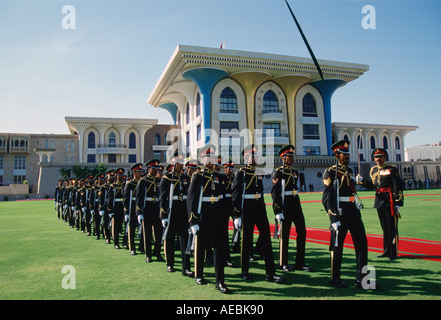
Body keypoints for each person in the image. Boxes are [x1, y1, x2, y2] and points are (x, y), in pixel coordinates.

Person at [232, 144, 285, 283]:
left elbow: (260, 191)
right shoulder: (241, 173)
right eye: (253, 155)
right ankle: (245, 270)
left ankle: (270, 273)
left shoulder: (258, 172)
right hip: (247, 209)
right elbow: (236, 195)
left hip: (259, 208)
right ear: (247, 157)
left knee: (266, 239)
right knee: (247, 240)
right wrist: (237, 214)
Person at [322, 140, 371, 289]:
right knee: (337, 246)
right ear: (337, 155)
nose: (347, 156)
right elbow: (327, 197)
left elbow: (369, 186)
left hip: (353, 211)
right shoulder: (331, 171)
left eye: (348, 153)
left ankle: (362, 280)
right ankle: (335, 278)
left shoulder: (349, 171)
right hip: (340, 212)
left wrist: (362, 182)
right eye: (344, 154)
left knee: (362, 244)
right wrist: (334, 217)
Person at [187, 145, 230, 293]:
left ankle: (220, 281)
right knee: (200, 246)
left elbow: (223, 199)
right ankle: (199, 274)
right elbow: (191, 199)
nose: (212, 160)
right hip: (203, 215)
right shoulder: (197, 176)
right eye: (209, 158)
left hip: (216, 216)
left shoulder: (219, 177)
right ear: (203, 160)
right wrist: (193, 221)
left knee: (219, 249)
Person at [271, 145, 313, 272]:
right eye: (289, 156)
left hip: (296, 203)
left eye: (292, 156)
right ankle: (283, 263)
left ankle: (300, 262)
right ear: (283, 157)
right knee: (285, 234)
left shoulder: (295, 172)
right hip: (285, 205)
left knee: (302, 231)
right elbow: (275, 193)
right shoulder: (278, 172)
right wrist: (277, 210)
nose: (291, 158)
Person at [357, 148, 404, 260]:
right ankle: (386, 251)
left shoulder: (392, 169)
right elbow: (371, 185)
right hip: (379, 201)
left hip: (390, 200)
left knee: (391, 227)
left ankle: (393, 252)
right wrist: (362, 180)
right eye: (376, 157)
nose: (378, 159)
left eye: (380, 156)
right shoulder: (373, 170)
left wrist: (398, 202)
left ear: (385, 157)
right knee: (384, 227)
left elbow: (398, 186)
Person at [159, 154, 193, 276]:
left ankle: (186, 267)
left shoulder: (185, 178)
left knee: (185, 240)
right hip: (171, 212)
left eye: (182, 163)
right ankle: (170, 264)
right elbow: (162, 199)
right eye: (179, 164)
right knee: (170, 239)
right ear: (174, 165)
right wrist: (163, 216)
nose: (182, 166)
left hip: (183, 212)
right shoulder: (166, 178)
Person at [135, 159, 164, 262]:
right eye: (154, 168)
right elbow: (139, 198)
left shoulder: (158, 181)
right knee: (147, 233)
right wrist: (139, 212)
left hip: (156, 208)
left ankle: (157, 252)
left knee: (158, 232)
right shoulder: (143, 181)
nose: (156, 170)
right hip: (147, 208)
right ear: (149, 169)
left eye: (157, 169)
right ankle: (148, 254)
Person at [124, 163, 144, 255]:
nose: (141, 173)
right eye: (139, 172)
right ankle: (132, 248)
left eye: (141, 171)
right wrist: (126, 212)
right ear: (134, 172)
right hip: (132, 208)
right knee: (131, 229)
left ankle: (142, 246)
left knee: (143, 228)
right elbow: (126, 199)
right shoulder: (130, 184)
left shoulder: (143, 182)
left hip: (140, 206)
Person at [107, 168, 126, 249]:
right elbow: (110, 199)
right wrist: (110, 210)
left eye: (121, 175)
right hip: (116, 207)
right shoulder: (113, 186)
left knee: (125, 226)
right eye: (119, 175)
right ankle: (116, 243)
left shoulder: (126, 185)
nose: (120, 177)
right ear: (116, 176)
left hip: (124, 207)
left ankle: (125, 242)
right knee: (116, 226)